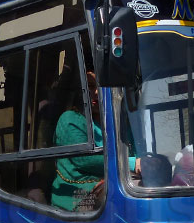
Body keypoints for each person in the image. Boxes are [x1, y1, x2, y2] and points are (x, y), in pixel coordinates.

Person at [51, 72, 140, 211]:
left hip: (115, 184)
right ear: (80, 92)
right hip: (77, 194)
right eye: (91, 87)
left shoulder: (115, 122)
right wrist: (133, 163)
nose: (97, 92)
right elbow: (85, 158)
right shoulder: (70, 119)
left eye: (102, 87)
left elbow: (134, 148)